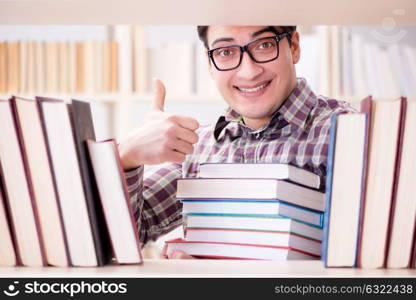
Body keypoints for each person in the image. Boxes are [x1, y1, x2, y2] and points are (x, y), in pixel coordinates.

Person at [118, 25, 356, 259]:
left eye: (264, 45)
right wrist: (127, 157)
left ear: (294, 47)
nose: (248, 72)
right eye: (225, 52)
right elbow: (122, 237)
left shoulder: (348, 132)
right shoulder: (199, 146)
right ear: (210, 64)